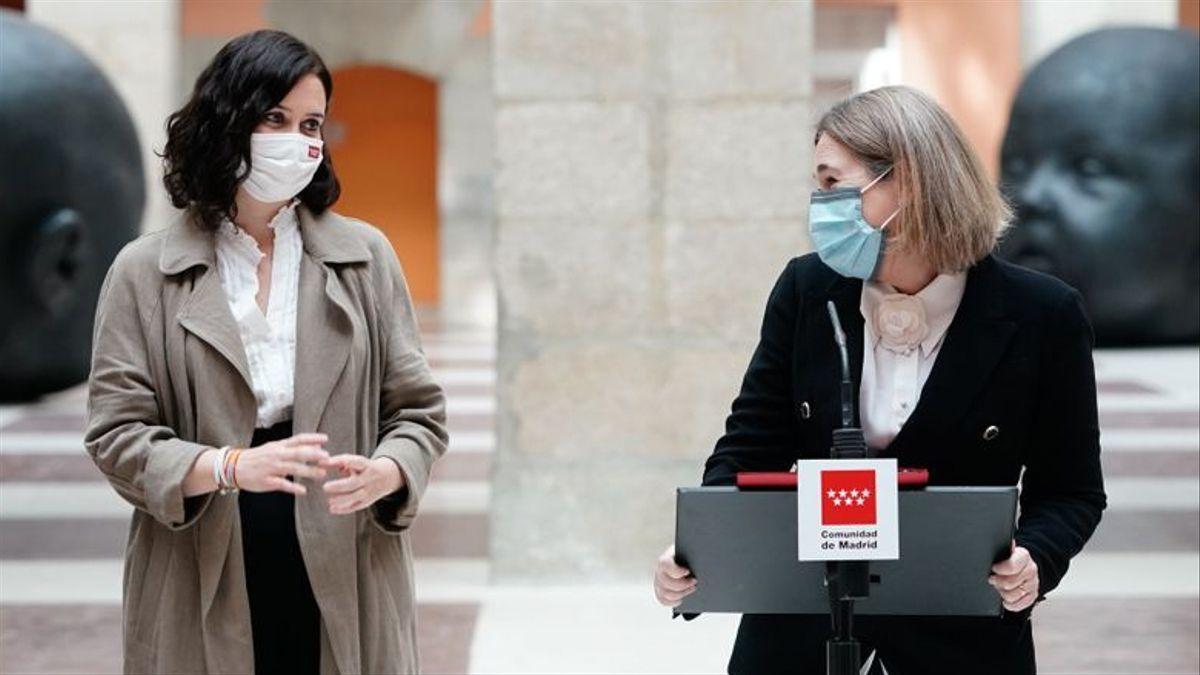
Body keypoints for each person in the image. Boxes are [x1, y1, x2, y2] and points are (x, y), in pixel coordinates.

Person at [653, 85, 1106, 674]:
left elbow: (1071, 490)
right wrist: (701, 554)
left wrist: (1034, 561)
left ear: (909, 182)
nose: (821, 204)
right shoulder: (807, 290)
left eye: (832, 183)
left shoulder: (1043, 314)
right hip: (800, 627)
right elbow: (751, 444)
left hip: (960, 635)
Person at [84, 30, 447, 674]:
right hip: (201, 552)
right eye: (275, 117)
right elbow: (117, 434)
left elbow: (418, 413)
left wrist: (390, 471)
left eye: (312, 122)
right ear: (227, 122)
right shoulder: (143, 272)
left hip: (344, 548)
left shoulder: (365, 258)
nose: (299, 139)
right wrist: (228, 466)